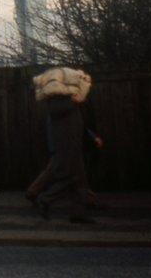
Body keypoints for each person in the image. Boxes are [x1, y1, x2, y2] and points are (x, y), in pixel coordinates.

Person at [35, 89, 94, 224]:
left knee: (80, 181)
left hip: (72, 146)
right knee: (71, 177)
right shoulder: (64, 104)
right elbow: (67, 130)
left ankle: (78, 213)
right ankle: (45, 199)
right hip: (69, 148)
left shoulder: (66, 104)